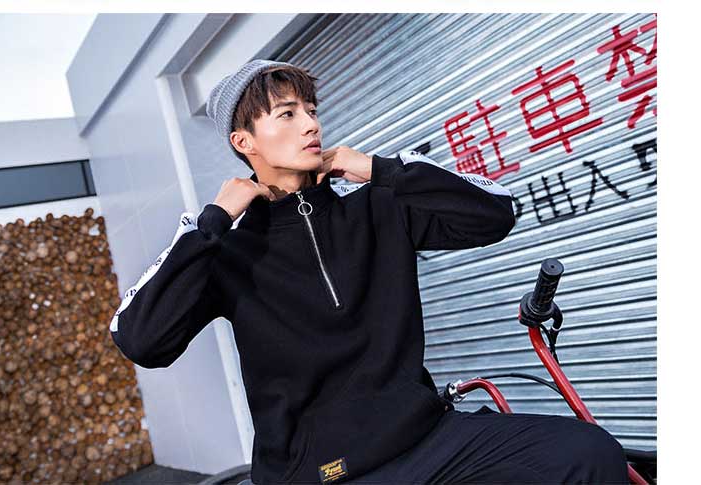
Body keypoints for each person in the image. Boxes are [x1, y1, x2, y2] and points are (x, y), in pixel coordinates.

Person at [109, 59, 630, 484]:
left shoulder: (376, 205)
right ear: (244, 142)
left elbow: (495, 214)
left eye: (311, 111)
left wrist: (381, 169)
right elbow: (141, 339)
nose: (311, 124)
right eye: (287, 114)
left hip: (426, 440)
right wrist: (212, 222)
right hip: (316, 473)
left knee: (589, 455)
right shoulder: (225, 248)